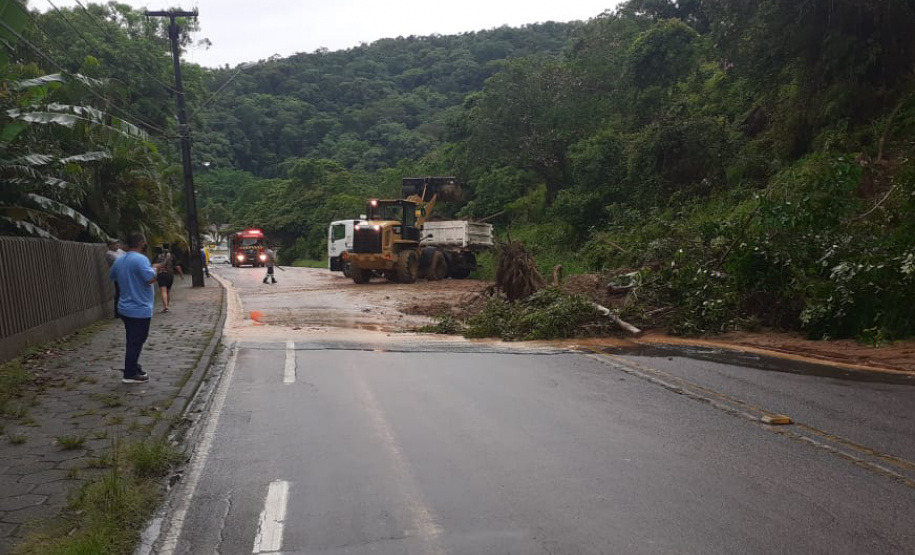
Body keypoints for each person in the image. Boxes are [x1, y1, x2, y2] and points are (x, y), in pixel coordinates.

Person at [109, 232, 158, 384]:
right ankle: (129, 374)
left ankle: (134, 366)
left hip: (124, 307)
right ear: (141, 242)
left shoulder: (119, 260)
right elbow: (150, 279)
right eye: (145, 242)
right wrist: (155, 268)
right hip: (139, 308)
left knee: (132, 339)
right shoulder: (141, 259)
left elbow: (113, 276)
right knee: (136, 342)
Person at [154, 243, 184, 312]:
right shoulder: (172, 256)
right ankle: (167, 305)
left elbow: (154, 266)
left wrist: (155, 275)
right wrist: (181, 275)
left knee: (163, 291)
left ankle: (166, 306)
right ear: (169, 247)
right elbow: (177, 266)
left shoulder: (158, 256)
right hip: (170, 275)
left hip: (161, 274)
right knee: (168, 291)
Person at [105, 239, 125, 318]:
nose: (117, 245)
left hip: (124, 274)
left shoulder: (120, 251)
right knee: (119, 292)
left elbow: (127, 256)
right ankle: (117, 312)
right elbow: (118, 261)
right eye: (115, 244)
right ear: (110, 246)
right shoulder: (109, 253)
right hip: (118, 275)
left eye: (117, 243)